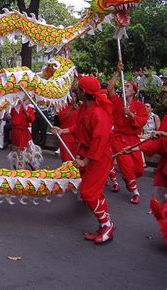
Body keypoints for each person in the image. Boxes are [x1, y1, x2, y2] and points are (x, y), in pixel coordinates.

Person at [53, 76, 115, 244]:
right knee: (95, 192)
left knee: (88, 193)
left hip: (99, 157)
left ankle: (107, 225)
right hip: (90, 154)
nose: (76, 92)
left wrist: (86, 161)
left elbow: (100, 139)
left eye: (78, 89)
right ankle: (106, 224)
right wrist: (63, 131)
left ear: (84, 92)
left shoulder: (98, 112)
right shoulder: (84, 108)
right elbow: (79, 127)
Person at [108, 62, 148, 204]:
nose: (125, 88)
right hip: (119, 139)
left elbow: (142, 121)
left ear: (134, 91)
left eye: (128, 86)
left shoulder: (140, 106)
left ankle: (128, 179)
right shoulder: (118, 102)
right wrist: (117, 72)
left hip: (134, 140)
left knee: (138, 170)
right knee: (127, 167)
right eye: (124, 86)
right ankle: (136, 192)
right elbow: (110, 89)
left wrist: (130, 114)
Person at [56, 91, 79, 162]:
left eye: (75, 96)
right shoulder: (64, 106)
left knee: (73, 158)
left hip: (75, 136)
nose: (73, 98)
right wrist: (71, 110)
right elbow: (61, 119)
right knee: (66, 159)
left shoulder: (79, 108)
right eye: (72, 96)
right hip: (65, 135)